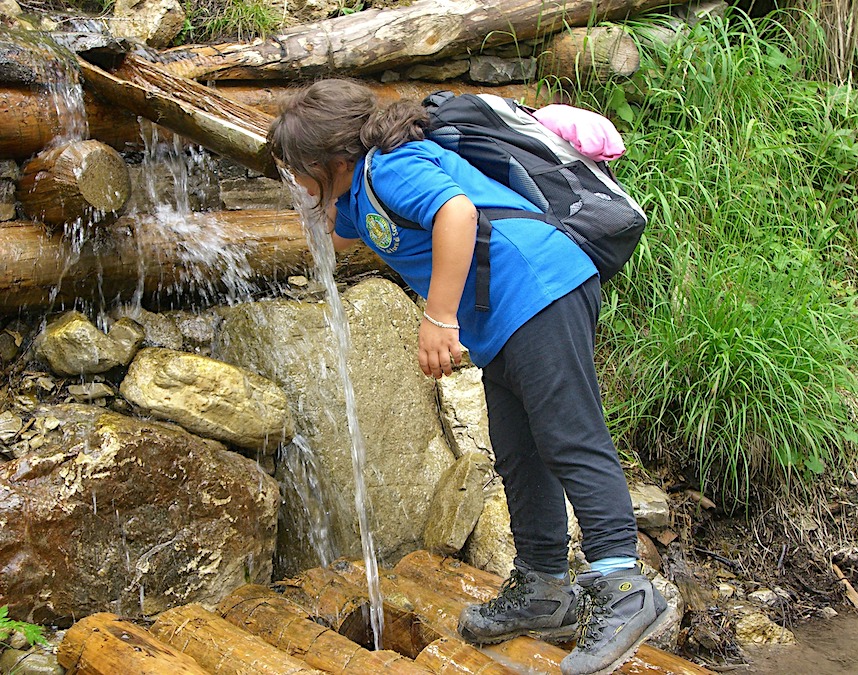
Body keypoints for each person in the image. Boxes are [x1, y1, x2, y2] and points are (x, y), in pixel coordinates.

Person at [268, 78, 672, 675]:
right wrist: (322, 197)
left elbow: (456, 214)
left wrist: (439, 317)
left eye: (294, 171)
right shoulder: (361, 188)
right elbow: (353, 226)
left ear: (328, 159)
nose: (290, 184)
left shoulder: (389, 166)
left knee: (567, 436)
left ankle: (622, 586)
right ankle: (544, 587)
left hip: (538, 288)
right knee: (519, 452)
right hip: (505, 318)